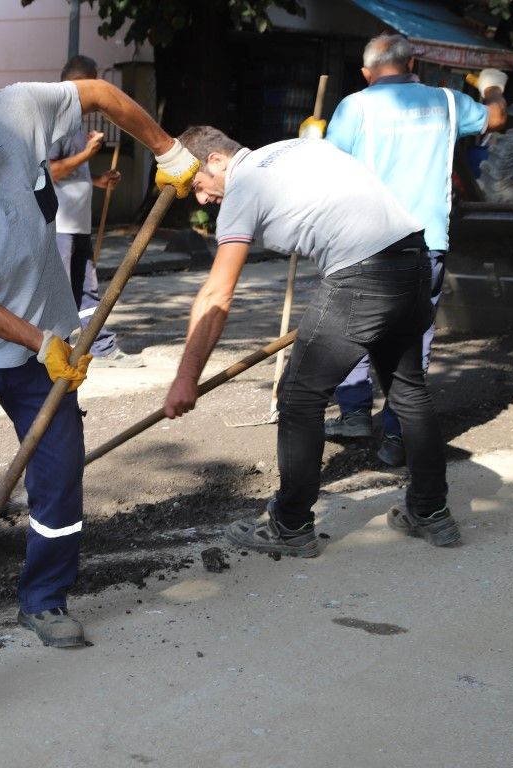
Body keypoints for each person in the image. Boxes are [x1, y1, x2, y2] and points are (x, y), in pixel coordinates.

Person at [0, 50, 198, 646]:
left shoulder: (18, 112)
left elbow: (100, 96)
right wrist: (41, 341)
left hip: (41, 340)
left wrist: (167, 149)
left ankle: (45, 600)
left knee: (58, 473)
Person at [163, 126, 459, 559]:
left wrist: (186, 377)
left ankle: (290, 524)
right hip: (413, 258)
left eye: (198, 187)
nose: (201, 200)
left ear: (215, 160)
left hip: (363, 273)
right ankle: (432, 513)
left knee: (300, 396)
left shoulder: (243, 186)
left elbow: (216, 294)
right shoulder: (290, 146)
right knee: (408, 392)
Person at [316, 34, 507, 467]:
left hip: (363, 242)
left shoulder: (355, 106)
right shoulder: (449, 102)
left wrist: (313, 142)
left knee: (351, 327)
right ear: (412, 62)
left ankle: (354, 413)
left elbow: (328, 168)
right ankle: (397, 437)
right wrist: (492, 86)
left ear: (367, 73)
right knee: (412, 341)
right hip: (426, 242)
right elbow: (495, 118)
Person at [48, 55, 143, 368]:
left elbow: (73, 175)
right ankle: (55, 353)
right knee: (61, 292)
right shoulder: (56, 123)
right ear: (81, 83)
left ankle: (98, 345)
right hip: (59, 225)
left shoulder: (75, 122)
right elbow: (51, 172)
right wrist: (88, 153)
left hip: (77, 223)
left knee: (86, 289)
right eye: (95, 83)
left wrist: (100, 180)